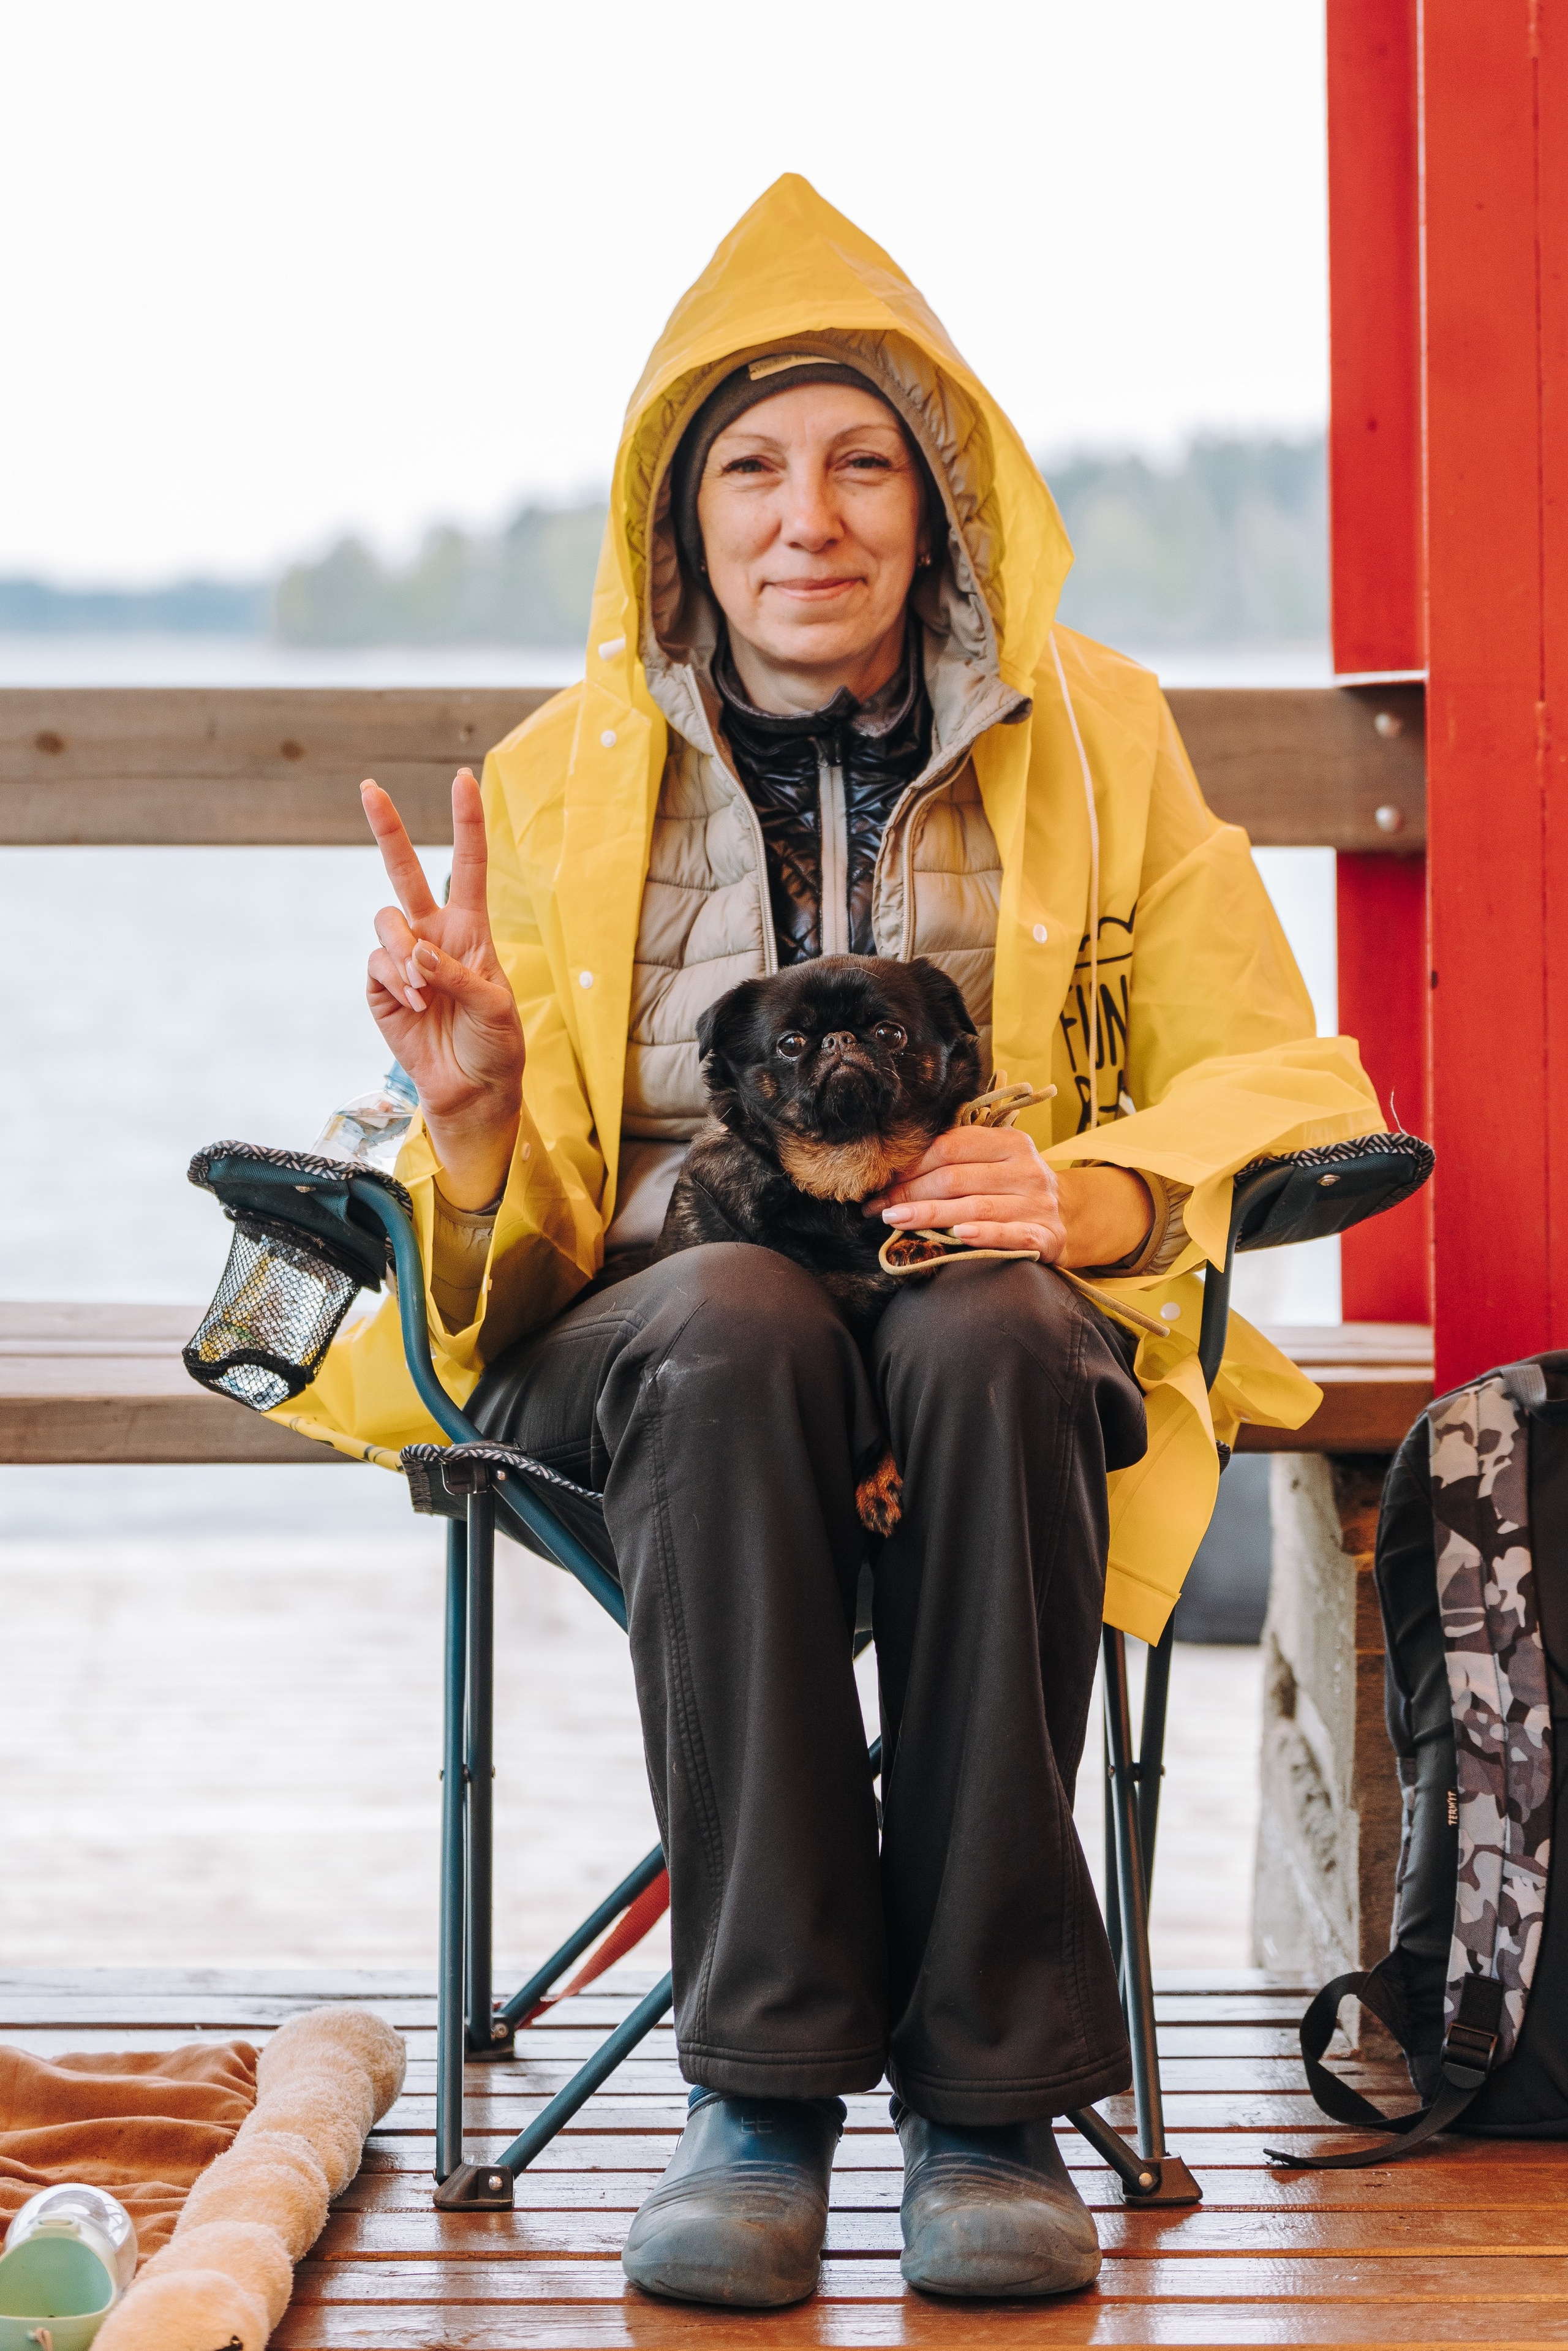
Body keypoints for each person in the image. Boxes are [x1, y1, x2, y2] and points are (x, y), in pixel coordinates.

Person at [287, 176, 1382, 2306]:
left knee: (993, 1340)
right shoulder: (556, 781)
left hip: (988, 1334)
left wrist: (1104, 1192)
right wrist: (481, 1110)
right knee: (733, 1320)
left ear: (942, 498)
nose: (813, 516)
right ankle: (763, 2087)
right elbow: (501, 1262)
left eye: (867, 460)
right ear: (677, 524)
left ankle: (984, 2100)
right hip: (658, 1356)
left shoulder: (1105, 740)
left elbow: (1282, 1067)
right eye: (755, 471)